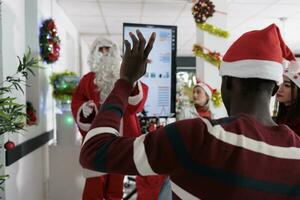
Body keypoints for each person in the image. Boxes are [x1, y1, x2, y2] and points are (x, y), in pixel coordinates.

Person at [80, 25, 300, 199]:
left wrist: (125, 80)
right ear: (274, 88)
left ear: (228, 84)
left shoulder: (197, 137)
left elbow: (93, 152)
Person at [71, 37, 148, 200]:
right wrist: (84, 111)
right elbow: (78, 101)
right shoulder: (87, 80)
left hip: (120, 138)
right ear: (94, 54)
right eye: (101, 50)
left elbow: (135, 106)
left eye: (108, 49)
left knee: (116, 185)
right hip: (97, 139)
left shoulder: (124, 77)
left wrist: (132, 83)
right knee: (94, 184)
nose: (105, 53)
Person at [275, 61, 300, 135]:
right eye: (280, 83)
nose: (279, 89)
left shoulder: (297, 122)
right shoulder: (284, 114)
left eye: (287, 85)